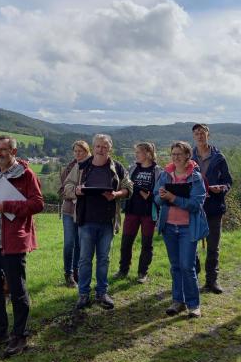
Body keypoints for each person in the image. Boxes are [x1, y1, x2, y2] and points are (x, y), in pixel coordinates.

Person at [0, 135, 44, 357]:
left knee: (17, 289)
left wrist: (8, 205)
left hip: (14, 241)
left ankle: (20, 335)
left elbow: (38, 204)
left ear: (13, 152)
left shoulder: (26, 174)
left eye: (3, 150)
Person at [64, 134, 132, 311]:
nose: (101, 150)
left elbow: (128, 186)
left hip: (107, 221)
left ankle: (102, 293)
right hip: (86, 220)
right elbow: (67, 187)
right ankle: (83, 294)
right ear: (93, 148)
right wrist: (77, 191)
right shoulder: (82, 166)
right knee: (85, 259)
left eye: (104, 147)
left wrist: (117, 194)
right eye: (98, 147)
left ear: (110, 148)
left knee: (104, 259)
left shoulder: (116, 167)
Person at [154, 141, 208, 318]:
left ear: (187, 156)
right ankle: (178, 301)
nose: (176, 157)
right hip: (169, 227)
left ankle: (194, 305)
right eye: (173, 154)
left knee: (187, 266)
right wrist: (162, 197)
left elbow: (196, 204)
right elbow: (156, 198)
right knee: (175, 266)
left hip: (187, 228)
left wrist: (174, 197)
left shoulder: (195, 177)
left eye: (179, 154)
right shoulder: (165, 175)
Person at [191, 124, 233, 294]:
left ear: (208, 135)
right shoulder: (189, 156)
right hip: (193, 208)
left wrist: (221, 188)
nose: (200, 136)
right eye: (197, 133)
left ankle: (212, 281)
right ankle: (193, 275)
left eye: (203, 133)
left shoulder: (219, 157)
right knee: (190, 244)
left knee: (213, 246)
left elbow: (228, 181)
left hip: (214, 207)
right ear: (193, 136)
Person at [117, 142, 163, 283]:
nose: (135, 155)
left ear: (148, 153)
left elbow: (160, 192)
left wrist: (149, 196)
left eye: (138, 152)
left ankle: (143, 273)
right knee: (126, 242)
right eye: (135, 152)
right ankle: (123, 270)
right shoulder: (132, 169)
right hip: (131, 211)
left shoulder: (157, 171)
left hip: (149, 212)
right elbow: (125, 186)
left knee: (146, 243)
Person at [58, 140, 90, 287]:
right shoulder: (70, 167)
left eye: (81, 151)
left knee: (79, 243)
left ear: (87, 151)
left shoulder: (92, 166)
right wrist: (77, 193)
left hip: (85, 211)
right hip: (69, 211)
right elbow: (62, 190)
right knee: (69, 242)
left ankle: (77, 272)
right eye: (75, 151)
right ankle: (68, 273)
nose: (78, 154)